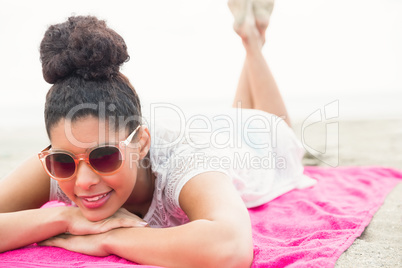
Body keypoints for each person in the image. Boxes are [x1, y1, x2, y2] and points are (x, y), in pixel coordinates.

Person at [0, 1, 314, 267]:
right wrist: (64, 220)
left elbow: (231, 246)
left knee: (272, 127)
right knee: (239, 115)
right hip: (208, 129)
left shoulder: (182, 163)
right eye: (64, 162)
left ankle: (252, 41)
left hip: (248, 148)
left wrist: (112, 238)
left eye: (105, 156)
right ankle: (251, 35)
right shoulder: (59, 161)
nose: (82, 182)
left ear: (141, 143)